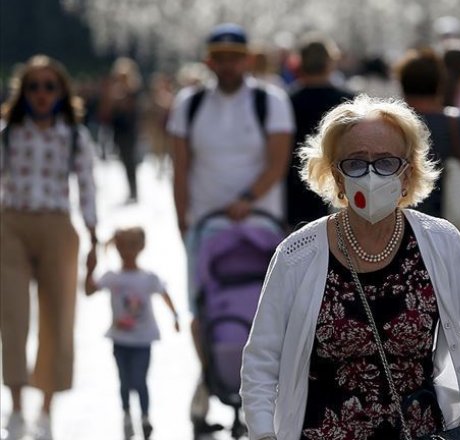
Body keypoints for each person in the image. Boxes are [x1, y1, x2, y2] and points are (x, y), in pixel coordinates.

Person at [240, 95, 460, 440]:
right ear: (336, 175)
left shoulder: (442, 242)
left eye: (386, 162)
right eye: (356, 163)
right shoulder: (297, 254)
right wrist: (262, 433)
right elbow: (261, 361)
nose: (371, 175)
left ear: (408, 173)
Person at [165, 22, 294, 434]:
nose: (226, 65)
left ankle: (263, 391)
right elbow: (180, 165)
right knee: (202, 306)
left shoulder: (269, 100)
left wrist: (248, 199)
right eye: (219, 57)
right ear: (209, 60)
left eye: (233, 57)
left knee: (263, 308)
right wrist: (183, 219)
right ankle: (209, 377)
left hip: (258, 222)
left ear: (246, 59)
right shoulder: (190, 103)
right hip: (206, 225)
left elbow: (278, 161)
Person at [0, 54, 98, 440]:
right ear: (24, 92)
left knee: (58, 316)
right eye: (34, 87)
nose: (41, 94)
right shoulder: (8, 131)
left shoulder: (74, 134)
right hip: (11, 223)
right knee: (13, 314)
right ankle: (16, 402)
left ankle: (46, 407)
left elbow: (88, 184)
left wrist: (93, 233)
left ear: (61, 92)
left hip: (58, 225)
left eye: (49, 86)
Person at [84, 226, 181, 439]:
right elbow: (89, 290)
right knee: (124, 380)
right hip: (120, 339)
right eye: (123, 247)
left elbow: (165, 293)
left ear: (141, 248)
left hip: (143, 339)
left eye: (132, 247)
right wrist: (89, 269)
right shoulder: (113, 277)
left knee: (140, 380)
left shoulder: (148, 278)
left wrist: (175, 316)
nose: (127, 252)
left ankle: (145, 416)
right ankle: (127, 413)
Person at [395, 48, 460, 221]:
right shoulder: (459, 123)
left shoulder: (392, 126)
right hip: (457, 223)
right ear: (440, 84)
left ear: (402, 84)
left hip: (406, 223)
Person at [286, 32, 354, 229]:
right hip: (339, 188)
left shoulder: (287, 101)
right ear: (330, 62)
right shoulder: (347, 102)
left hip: (296, 190)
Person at [99, 57, 144, 203]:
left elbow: (132, 109)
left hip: (129, 132)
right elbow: (105, 112)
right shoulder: (113, 92)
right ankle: (131, 190)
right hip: (117, 132)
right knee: (124, 162)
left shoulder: (133, 91)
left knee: (130, 162)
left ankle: (134, 191)